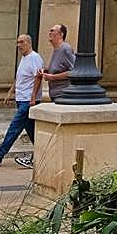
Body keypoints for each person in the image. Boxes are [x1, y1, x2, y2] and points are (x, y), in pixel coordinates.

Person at [13, 25, 77, 169]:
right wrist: (46, 71)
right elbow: (58, 69)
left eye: (52, 31)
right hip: (56, 95)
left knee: (54, 128)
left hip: (63, 95)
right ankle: (40, 157)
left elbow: (75, 71)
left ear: (60, 34)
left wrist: (52, 77)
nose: (49, 33)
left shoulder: (65, 49)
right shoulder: (56, 50)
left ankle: (36, 158)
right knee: (46, 128)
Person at [0, 35, 44, 167]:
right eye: (17, 42)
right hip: (21, 99)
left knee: (14, 127)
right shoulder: (24, 59)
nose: (19, 45)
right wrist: (11, 92)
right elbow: (20, 77)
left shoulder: (34, 58)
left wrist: (33, 97)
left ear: (28, 43)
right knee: (32, 131)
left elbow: (38, 78)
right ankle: (44, 153)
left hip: (28, 100)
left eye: (21, 42)